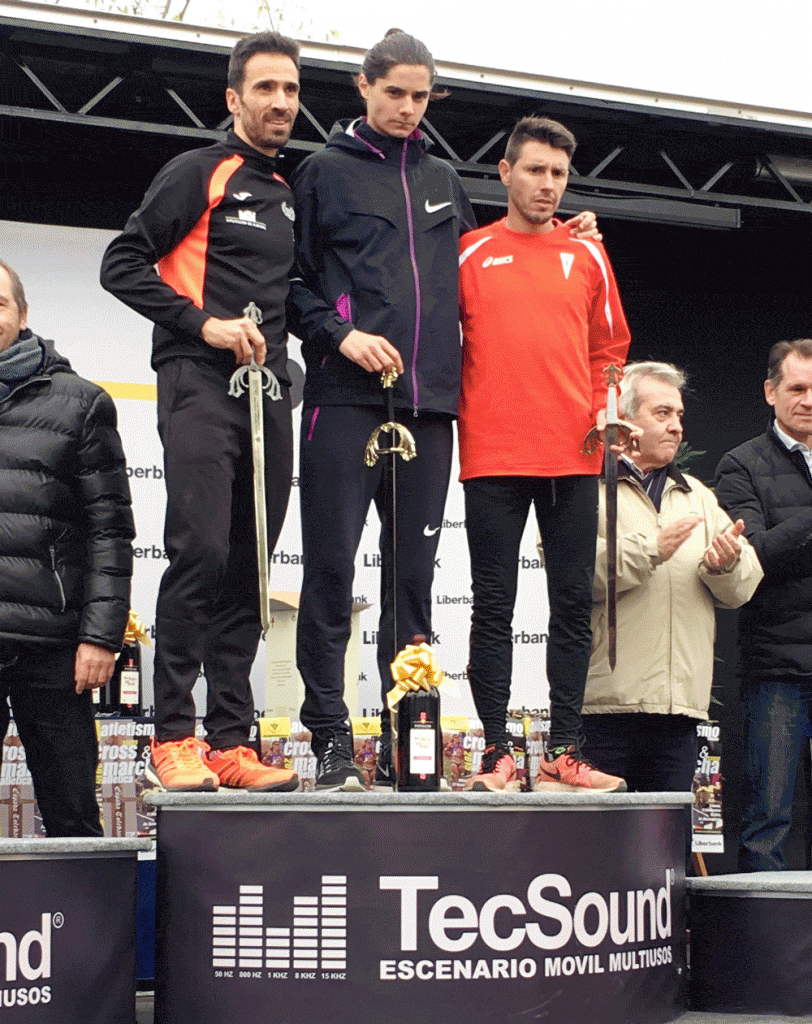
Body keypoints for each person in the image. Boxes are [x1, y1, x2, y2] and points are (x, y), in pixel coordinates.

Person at [287, 32, 598, 791]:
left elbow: (493, 266)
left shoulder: (442, 178)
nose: (407, 107)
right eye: (394, 92)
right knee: (330, 572)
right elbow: (289, 286)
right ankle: (330, 739)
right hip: (344, 398)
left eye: (421, 96)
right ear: (363, 86)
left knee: (412, 585)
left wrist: (566, 236)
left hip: (428, 410)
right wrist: (340, 335)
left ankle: (411, 747)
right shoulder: (322, 172)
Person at [100, 32, 300, 793]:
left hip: (268, 395)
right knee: (202, 552)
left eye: (290, 89)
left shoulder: (288, 193)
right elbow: (121, 263)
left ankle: (231, 742)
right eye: (265, 88)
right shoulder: (199, 171)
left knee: (250, 568)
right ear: (233, 98)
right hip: (198, 381)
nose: (280, 102)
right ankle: (173, 736)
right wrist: (203, 325)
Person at [458, 115, 631, 793]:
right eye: (535, 169)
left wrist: (605, 411)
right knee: (492, 606)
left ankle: (564, 749)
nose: (548, 184)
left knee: (572, 605)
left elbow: (610, 348)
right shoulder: (470, 251)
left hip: (573, 454)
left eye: (559, 173)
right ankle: (495, 751)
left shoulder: (587, 253)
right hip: (493, 453)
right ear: (505, 172)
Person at [581, 361, 762, 793]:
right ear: (625, 421)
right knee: (597, 833)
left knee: (666, 833)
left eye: (679, 414)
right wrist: (651, 551)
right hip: (605, 708)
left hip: (679, 709)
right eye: (662, 413)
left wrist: (726, 565)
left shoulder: (698, 496)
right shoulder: (586, 489)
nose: (677, 426)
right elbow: (572, 576)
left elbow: (745, 584)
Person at [0, 259, 135, 836]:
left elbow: (110, 530)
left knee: (73, 817)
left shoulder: (80, 403)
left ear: (23, 313)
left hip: (53, 646)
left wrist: (101, 636)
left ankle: (85, 903)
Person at [715, 338, 812, 870]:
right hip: (778, 668)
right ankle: (761, 924)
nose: (808, 400)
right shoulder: (742, 464)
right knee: (766, 822)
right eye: (796, 388)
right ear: (770, 392)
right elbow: (752, 558)